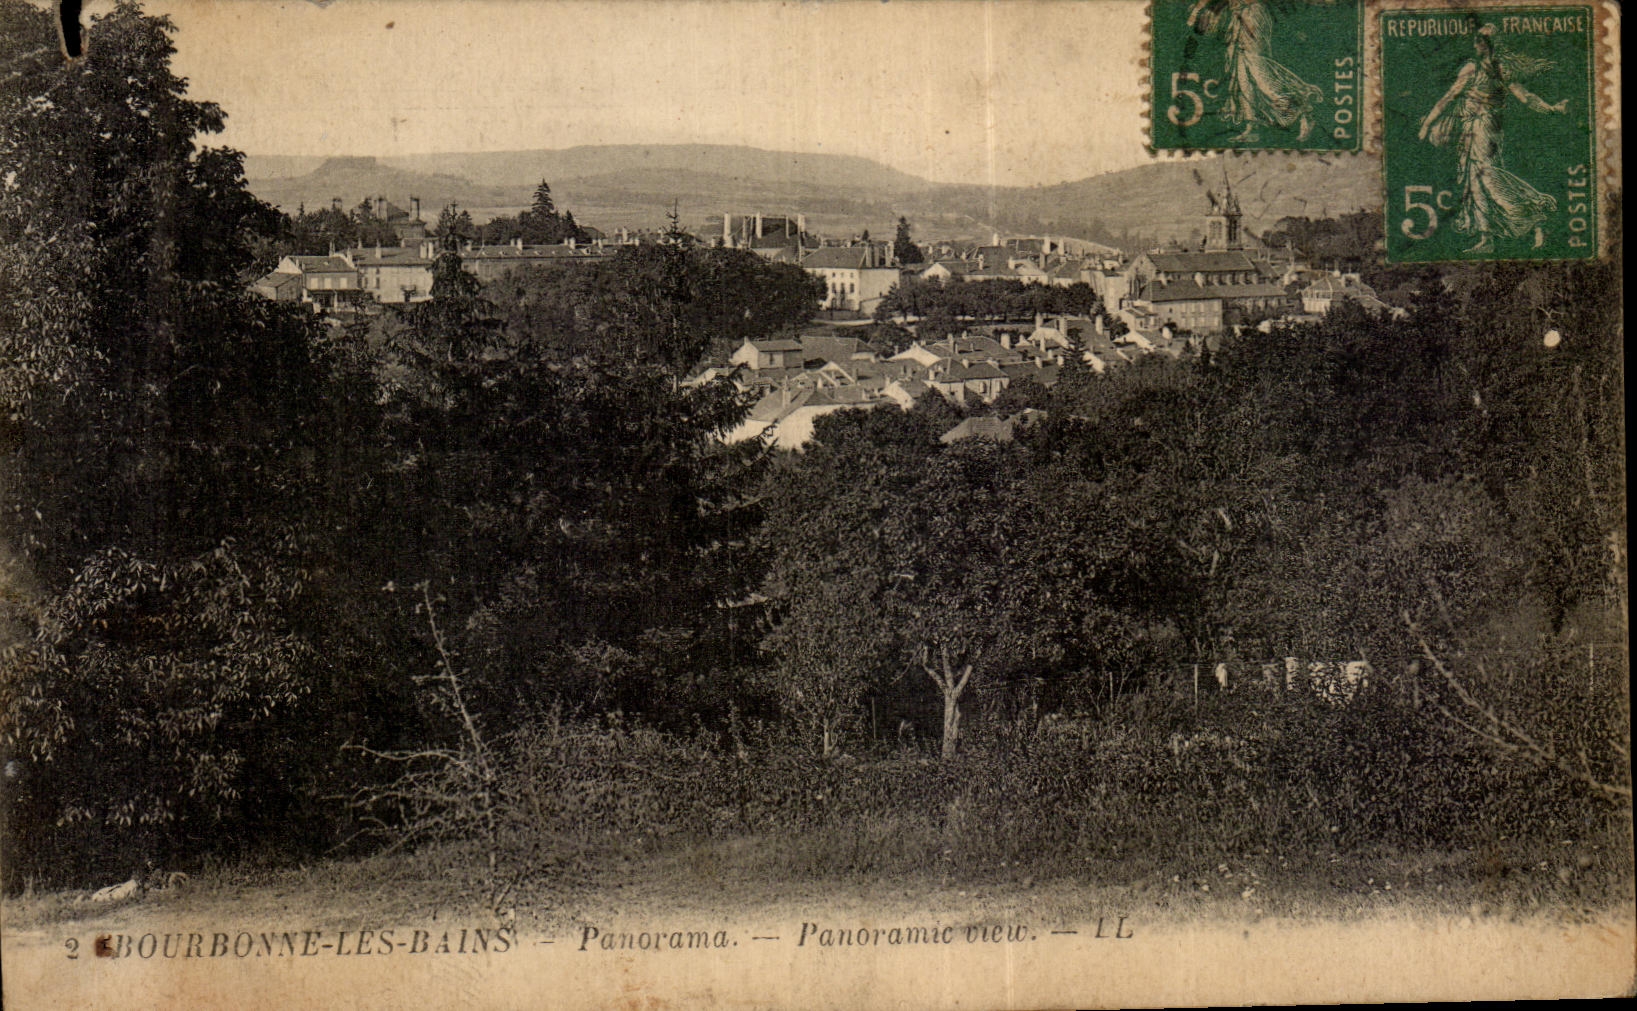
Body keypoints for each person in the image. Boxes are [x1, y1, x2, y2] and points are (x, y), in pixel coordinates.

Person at [1418, 24, 1569, 253]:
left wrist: (1428, 124)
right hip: (1483, 129)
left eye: (1478, 41)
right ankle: (1487, 238)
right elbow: (1526, 97)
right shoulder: (1501, 69)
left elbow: (1448, 98)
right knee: (1476, 181)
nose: (1475, 45)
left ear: (1485, 44)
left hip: (1482, 128)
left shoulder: (1474, 69)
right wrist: (1552, 109)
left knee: (1486, 177)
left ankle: (1537, 214)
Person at [1189, 0, 1322, 143]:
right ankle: (1252, 127)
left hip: (1253, 15)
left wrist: (1198, 10)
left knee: (1258, 70)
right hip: (1238, 17)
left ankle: (1303, 109)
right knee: (1241, 75)